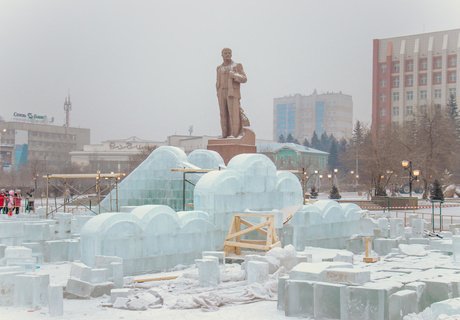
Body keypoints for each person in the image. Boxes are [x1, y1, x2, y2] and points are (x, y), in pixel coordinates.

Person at [216, 48, 247, 138]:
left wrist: (234, 75)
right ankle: (224, 134)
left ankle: (234, 134)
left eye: (229, 53)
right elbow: (217, 82)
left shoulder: (237, 66)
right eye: (225, 53)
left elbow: (244, 78)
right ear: (222, 55)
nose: (227, 54)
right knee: (223, 114)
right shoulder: (219, 68)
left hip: (232, 92)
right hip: (222, 92)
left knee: (233, 113)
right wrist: (218, 92)